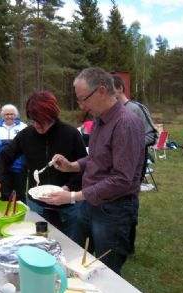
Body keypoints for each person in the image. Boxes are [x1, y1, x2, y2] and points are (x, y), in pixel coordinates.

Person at [40, 67, 145, 274]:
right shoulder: (99, 121)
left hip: (114, 209)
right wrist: (72, 166)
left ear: (102, 91)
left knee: (107, 269)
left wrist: (72, 196)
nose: (82, 106)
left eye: (84, 99)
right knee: (78, 258)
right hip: (91, 203)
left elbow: (121, 179)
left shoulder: (125, 123)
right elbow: (96, 158)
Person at [0, 91, 87, 245]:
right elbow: (4, 157)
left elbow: (84, 167)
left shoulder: (71, 134)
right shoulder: (26, 135)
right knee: (39, 248)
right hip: (37, 206)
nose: (37, 125)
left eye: (42, 121)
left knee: (71, 249)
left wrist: (67, 188)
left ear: (52, 116)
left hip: (69, 208)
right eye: (33, 120)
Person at [113, 75, 158, 255]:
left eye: (109, 89)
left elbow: (152, 135)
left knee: (129, 203)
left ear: (120, 89)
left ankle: (128, 247)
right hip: (114, 168)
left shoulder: (136, 109)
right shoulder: (110, 111)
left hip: (134, 167)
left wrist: (129, 144)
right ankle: (117, 241)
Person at [0, 104, 28, 202]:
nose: (9, 116)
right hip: (4, 166)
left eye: (12, 114)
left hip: (19, 166)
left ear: (16, 115)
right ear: (2, 116)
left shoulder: (23, 127)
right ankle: (6, 215)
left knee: (20, 193)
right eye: (7, 114)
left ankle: (22, 213)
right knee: (5, 193)